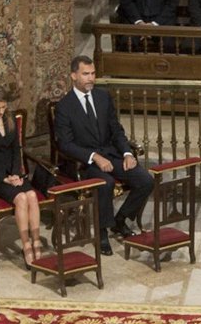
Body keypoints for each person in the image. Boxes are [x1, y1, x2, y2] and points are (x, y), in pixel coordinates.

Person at [54, 56, 154, 254]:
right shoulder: (64, 106)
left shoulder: (103, 97)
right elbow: (65, 144)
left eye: (93, 74)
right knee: (105, 183)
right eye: (85, 74)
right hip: (86, 163)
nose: (91, 78)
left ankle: (120, 220)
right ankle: (102, 232)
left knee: (145, 180)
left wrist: (127, 153)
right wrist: (94, 157)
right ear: (73, 76)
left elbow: (116, 130)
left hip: (111, 155)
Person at [0, 86, 43, 267]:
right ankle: (26, 246)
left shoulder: (9, 119)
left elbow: (16, 150)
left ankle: (36, 241)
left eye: (3, 107)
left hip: (13, 173)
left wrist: (16, 174)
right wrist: (3, 178)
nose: (0, 112)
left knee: (32, 195)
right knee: (21, 198)